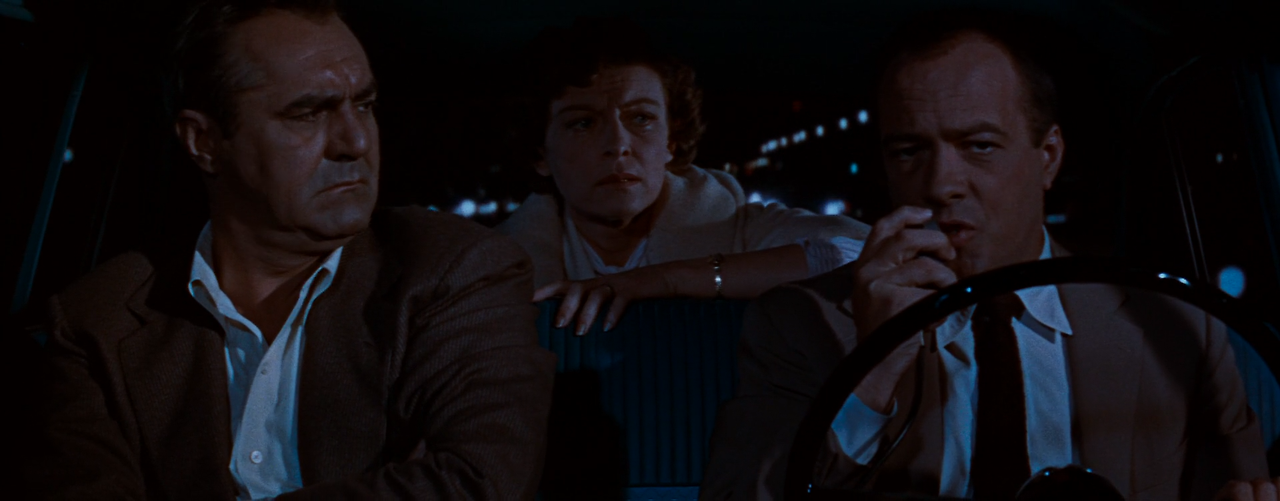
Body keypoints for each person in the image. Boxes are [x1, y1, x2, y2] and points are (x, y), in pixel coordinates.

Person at [701, 12, 1270, 501]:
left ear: (1048, 156)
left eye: (979, 147)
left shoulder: (1174, 326)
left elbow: (1240, 486)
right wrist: (872, 370)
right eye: (909, 152)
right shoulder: (801, 323)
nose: (941, 185)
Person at [24, 1, 554, 499]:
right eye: (308, 114)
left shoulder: (451, 270)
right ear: (203, 142)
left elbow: (480, 482)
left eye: (365, 105)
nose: (356, 142)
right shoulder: (97, 321)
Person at [496, 18, 869, 335]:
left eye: (641, 118)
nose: (618, 144)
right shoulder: (496, 262)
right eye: (582, 123)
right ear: (540, 154)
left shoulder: (736, 228)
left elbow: (868, 251)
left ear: (670, 142)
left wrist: (671, 279)